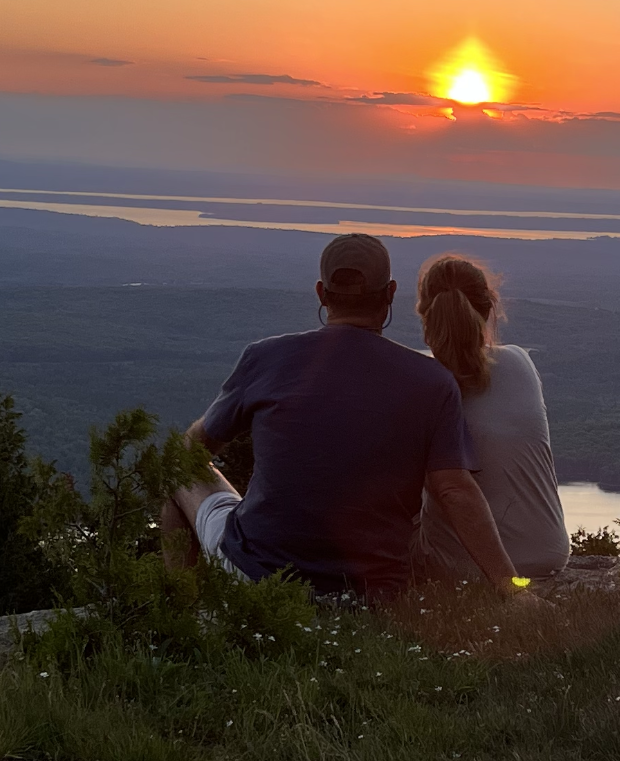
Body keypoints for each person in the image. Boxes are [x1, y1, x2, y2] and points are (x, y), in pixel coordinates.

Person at [158, 233, 529, 600]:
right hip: (373, 593)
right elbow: (454, 489)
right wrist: (513, 589)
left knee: (180, 468)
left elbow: (192, 450)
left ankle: (190, 616)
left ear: (321, 293)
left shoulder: (266, 357)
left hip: (261, 577)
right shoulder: (432, 381)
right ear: (390, 293)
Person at [408, 254, 570, 583]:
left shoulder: (416, 383)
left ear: (426, 314)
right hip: (548, 558)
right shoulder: (519, 363)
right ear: (488, 308)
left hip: (470, 572)